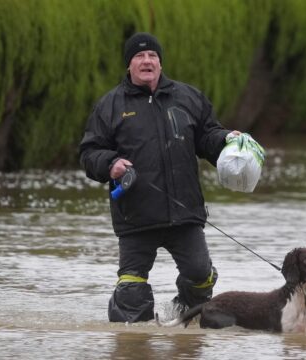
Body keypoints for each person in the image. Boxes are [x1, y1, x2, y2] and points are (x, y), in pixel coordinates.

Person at [79, 32, 241, 323]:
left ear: (160, 63)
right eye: (139, 56)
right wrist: (111, 164)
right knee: (131, 290)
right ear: (129, 65)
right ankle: (133, 344)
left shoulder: (188, 97)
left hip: (185, 214)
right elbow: (90, 153)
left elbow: (207, 138)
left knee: (202, 278)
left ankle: (180, 320)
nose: (147, 61)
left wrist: (227, 139)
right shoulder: (110, 105)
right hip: (135, 217)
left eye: (152, 56)